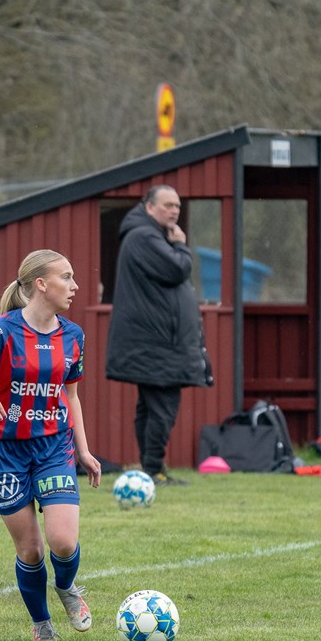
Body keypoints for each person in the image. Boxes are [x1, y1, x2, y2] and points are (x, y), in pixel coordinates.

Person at [0, 249, 102, 641]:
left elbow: (71, 396)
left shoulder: (73, 336)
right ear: (41, 284)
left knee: (63, 541)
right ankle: (41, 623)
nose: (74, 286)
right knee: (31, 550)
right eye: (66, 277)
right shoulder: (0, 331)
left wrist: (84, 451)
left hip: (53, 446)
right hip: (3, 451)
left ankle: (66, 588)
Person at [105, 185, 209, 486]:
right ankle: (153, 469)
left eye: (177, 205)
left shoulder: (147, 235)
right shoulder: (144, 237)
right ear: (149, 207)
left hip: (154, 343)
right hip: (156, 344)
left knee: (151, 407)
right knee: (162, 408)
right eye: (167, 205)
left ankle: (151, 467)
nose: (174, 211)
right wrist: (181, 246)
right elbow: (178, 269)